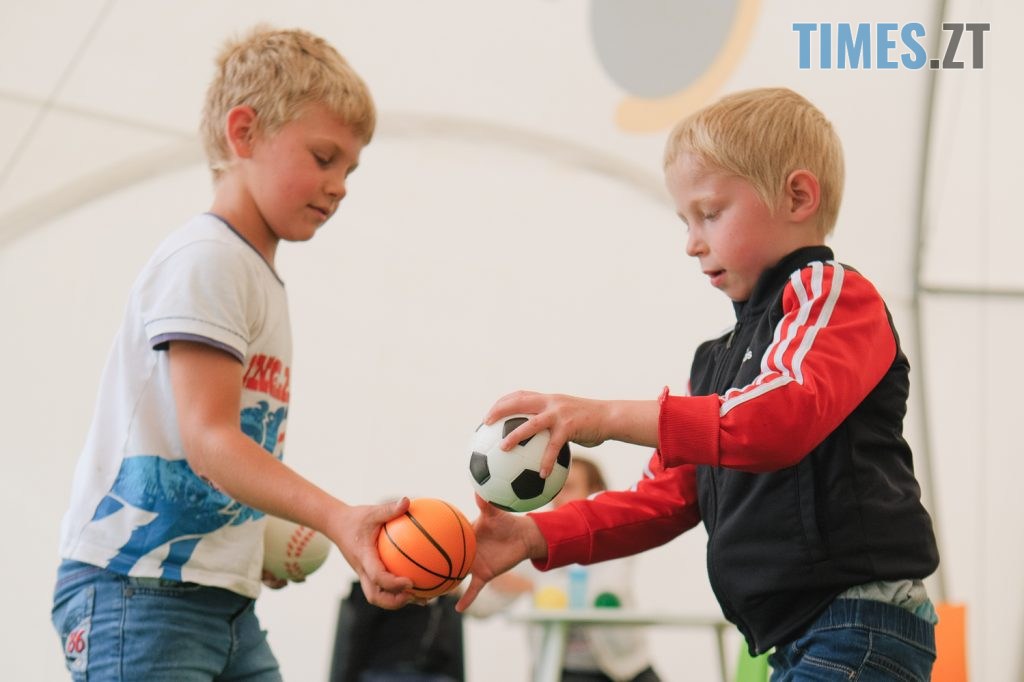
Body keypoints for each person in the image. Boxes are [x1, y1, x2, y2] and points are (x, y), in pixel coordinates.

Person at [456, 87, 940, 680]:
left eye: (710, 213)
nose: (692, 243)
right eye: (685, 221)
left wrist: (604, 417)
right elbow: (662, 499)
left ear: (798, 196)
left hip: (860, 624)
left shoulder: (831, 295)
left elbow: (776, 420)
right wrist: (533, 534)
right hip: (802, 637)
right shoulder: (715, 363)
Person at [50, 25, 415, 681]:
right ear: (243, 133)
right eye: (324, 157)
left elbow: (226, 449)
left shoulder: (254, 273)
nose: (340, 185)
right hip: (139, 591)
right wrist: (339, 519)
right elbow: (210, 440)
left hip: (218, 601)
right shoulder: (209, 259)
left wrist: (242, 546)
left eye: (350, 170)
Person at [471, 455, 662, 682]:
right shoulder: (535, 541)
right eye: (555, 488)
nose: (558, 496)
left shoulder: (615, 539)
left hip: (625, 669)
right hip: (563, 671)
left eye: (568, 487)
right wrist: (458, 578)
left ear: (595, 492)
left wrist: (533, 588)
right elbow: (483, 606)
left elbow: (603, 597)